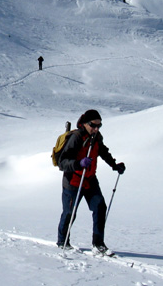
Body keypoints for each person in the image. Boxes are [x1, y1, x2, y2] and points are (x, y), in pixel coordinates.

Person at [56, 109, 125, 255]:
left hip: (89, 179)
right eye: (94, 125)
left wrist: (114, 165)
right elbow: (63, 162)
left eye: (99, 126)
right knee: (70, 212)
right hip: (73, 181)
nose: (96, 129)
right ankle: (63, 241)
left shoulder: (96, 137)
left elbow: (103, 152)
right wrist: (79, 163)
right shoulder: (76, 137)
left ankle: (98, 244)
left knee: (100, 207)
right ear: (85, 123)